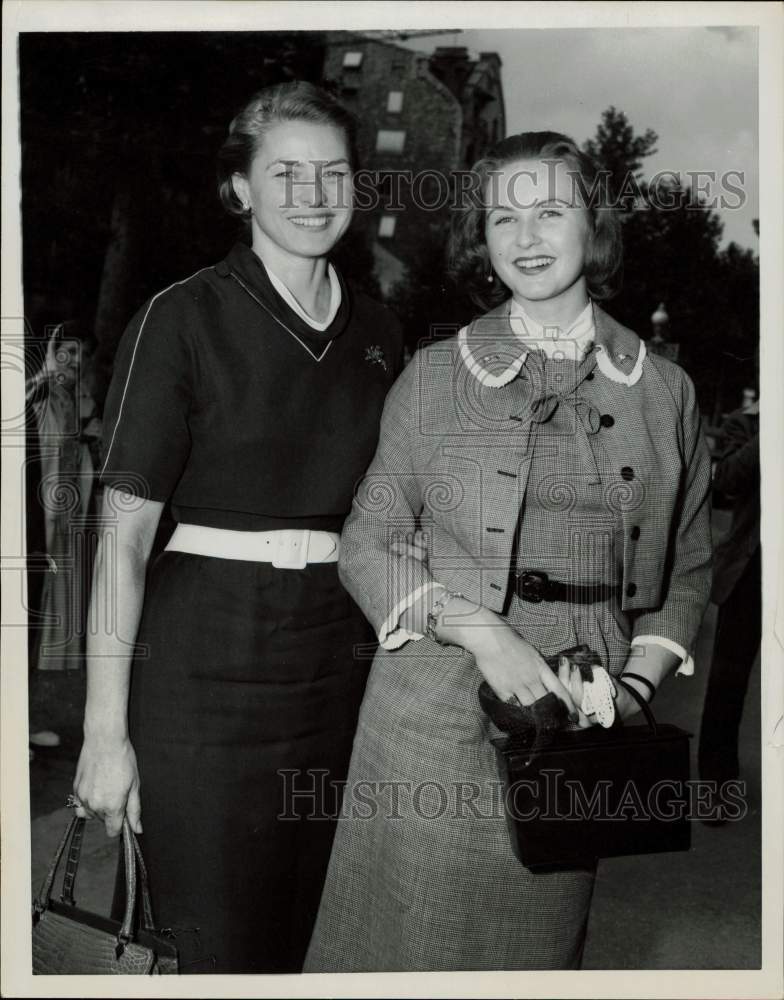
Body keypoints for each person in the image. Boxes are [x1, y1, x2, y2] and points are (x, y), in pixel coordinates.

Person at [304, 132, 713, 972]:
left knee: (532, 951)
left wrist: (632, 687)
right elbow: (368, 540)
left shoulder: (666, 390)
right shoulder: (434, 375)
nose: (526, 238)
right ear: (483, 241)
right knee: (402, 946)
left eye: (551, 211)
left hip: (575, 717)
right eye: (503, 218)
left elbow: (689, 568)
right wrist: (484, 632)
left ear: (593, 227)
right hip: (432, 706)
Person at [72, 81, 403, 973]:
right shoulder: (181, 318)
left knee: (306, 942)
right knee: (215, 947)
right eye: (284, 171)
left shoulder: (381, 333)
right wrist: (106, 736)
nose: (312, 192)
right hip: (201, 674)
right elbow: (125, 541)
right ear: (240, 189)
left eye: (332, 172)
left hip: (336, 670)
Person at [698, 393, 759, 801]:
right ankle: (716, 785)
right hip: (753, 571)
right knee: (728, 681)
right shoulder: (747, 425)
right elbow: (726, 482)